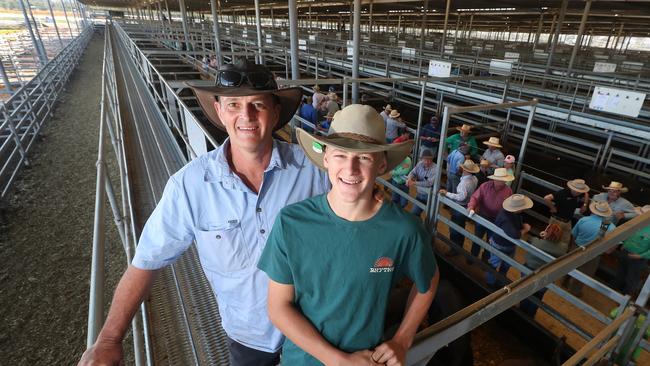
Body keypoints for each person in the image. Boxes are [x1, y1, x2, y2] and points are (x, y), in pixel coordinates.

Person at [78, 60, 330, 366]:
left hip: (313, 334)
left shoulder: (316, 171)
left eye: (257, 105)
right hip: (248, 340)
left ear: (275, 112)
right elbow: (147, 260)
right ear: (220, 111)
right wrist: (108, 339)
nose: (246, 116)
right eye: (234, 105)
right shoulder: (190, 185)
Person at [259, 104, 440, 366]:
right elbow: (278, 307)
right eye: (341, 155)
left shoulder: (404, 230)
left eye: (364, 157)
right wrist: (339, 361)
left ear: (381, 165)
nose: (351, 168)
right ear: (326, 158)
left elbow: (429, 278)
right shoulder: (292, 222)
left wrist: (403, 339)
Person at [567, 201, 616, 296]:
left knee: (569, 266)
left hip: (577, 247)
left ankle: (565, 282)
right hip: (593, 253)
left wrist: (573, 245)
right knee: (584, 274)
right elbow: (612, 246)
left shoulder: (584, 220)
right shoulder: (610, 227)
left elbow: (574, 234)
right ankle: (574, 291)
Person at [520, 223, 568, 316]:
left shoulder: (536, 241)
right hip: (546, 275)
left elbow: (529, 240)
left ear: (547, 232)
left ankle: (522, 310)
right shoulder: (563, 248)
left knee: (525, 292)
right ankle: (531, 314)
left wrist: (541, 236)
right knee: (538, 296)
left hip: (529, 270)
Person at [467, 168, 514, 262]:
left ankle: (486, 261)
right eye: (499, 179)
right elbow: (475, 197)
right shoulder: (485, 186)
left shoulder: (508, 191)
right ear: (494, 179)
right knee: (477, 238)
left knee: (491, 241)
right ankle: (472, 257)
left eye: (503, 180)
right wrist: (471, 206)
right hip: (482, 215)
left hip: (497, 220)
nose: (501, 182)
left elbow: (509, 207)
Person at [486, 194, 533, 287]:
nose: (524, 209)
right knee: (496, 263)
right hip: (502, 244)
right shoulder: (506, 218)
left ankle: (497, 282)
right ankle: (490, 283)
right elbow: (515, 235)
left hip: (503, 243)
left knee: (502, 264)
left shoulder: (510, 213)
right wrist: (525, 229)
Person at [439, 160, 479, 256]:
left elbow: (461, 197)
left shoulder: (464, 182)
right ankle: (458, 247)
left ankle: (454, 248)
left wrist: (447, 193)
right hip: (467, 205)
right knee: (460, 227)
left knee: (454, 228)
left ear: (465, 170)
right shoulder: (474, 179)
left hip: (460, 206)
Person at [613, 205, 649, 296]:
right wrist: (624, 244)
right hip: (626, 251)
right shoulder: (637, 222)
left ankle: (625, 298)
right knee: (620, 272)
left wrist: (640, 256)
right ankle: (614, 292)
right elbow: (630, 234)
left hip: (638, 258)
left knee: (631, 278)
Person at [543, 178, 590, 243]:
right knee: (550, 240)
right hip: (557, 220)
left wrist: (584, 205)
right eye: (576, 190)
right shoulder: (562, 193)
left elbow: (586, 194)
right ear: (571, 188)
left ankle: (560, 251)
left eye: (579, 191)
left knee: (565, 241)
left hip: (568, 222)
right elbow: (546, 198)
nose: (577, 192)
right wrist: (553, 208)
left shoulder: (581, 193)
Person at [408, 149, 437, 217]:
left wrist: (414, 183)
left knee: (430, 216)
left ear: (432, 159)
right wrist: (409, 178)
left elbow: (429, 183)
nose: (427, 162)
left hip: (431, 196)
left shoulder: (435, 168)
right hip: (420, 193)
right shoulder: (419, 164)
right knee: (414, 213)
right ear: (422, 159)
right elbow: (413, 172)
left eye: (429, 159)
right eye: (425, 159)